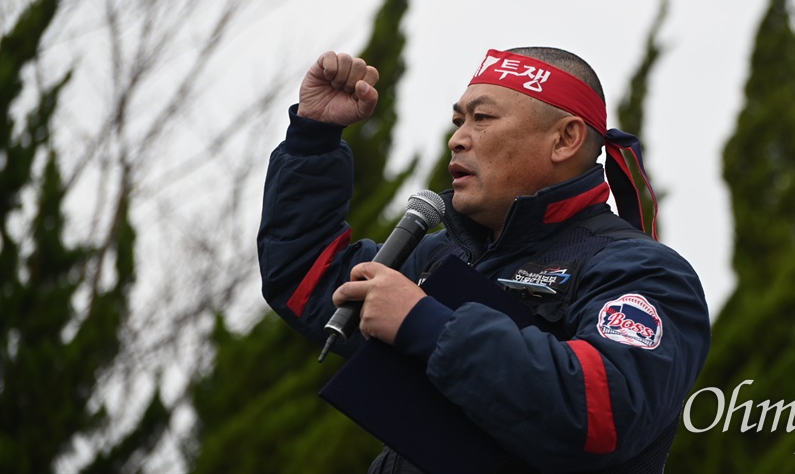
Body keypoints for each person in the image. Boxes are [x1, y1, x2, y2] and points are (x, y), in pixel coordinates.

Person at [258, 47, 711, 473]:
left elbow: (603, 410)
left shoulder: (644, 271)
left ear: (565, 139)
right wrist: (314, 137)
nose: (457, 139)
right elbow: (309, 279)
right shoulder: (440, 253)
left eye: (482, 118)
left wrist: (423, 323)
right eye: (458, 120)